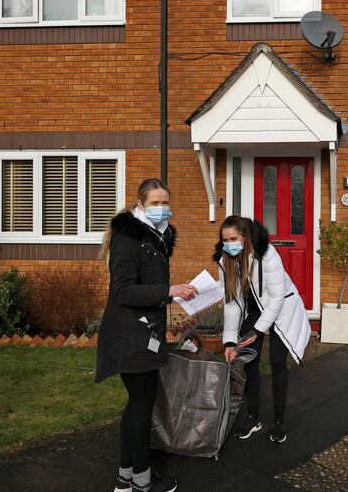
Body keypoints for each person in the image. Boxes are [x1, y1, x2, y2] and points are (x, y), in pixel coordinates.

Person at [96, 178, 197, 492]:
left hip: (142, 331)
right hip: (130, 336)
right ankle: (142, 482)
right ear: (140, 205)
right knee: (141, 405)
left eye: (165, 202)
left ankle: (125, 481)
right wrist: (169, 291)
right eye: (154, 202)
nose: (162, 207)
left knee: (137, 405)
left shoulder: (156, 237)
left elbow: (145, 285)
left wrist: (171, 292)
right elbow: (123, 291)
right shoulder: (130, 238)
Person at [214, 215, 311, 444]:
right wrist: (230, 341)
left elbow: (277, 299)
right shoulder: (224, 261)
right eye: (225, 240)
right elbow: (231, 303)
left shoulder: (267, 254)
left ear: (245, 237)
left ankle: (278, 420)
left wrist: (257, 331)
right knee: (249, 360)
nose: (229, 244)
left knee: (277, 360)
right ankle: (253, 417)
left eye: (234, 238)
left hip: (282, 307)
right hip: (255, 308)